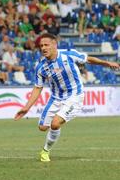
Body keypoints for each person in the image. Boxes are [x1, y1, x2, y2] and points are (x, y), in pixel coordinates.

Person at [14, 33, 120, 162]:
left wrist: (107, 63)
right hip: (56, 98)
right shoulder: (41, 67)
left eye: (46, 45)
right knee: (42, 127)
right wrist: (26, 107)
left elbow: (89, 59)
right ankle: (55, 128)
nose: (43, 48)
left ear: (54, 45)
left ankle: (45, 151)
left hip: (75, 95)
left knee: (55, 123)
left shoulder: (68, 55)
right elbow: (37, 88)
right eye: (41, 46)